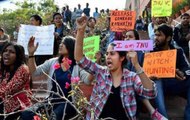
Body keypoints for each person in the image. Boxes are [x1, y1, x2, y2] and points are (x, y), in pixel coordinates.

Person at [75, 15, 156, 120]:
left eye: (112, 54)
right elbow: (79, 58)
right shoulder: (100, 72)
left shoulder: (131, 77)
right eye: (107, 54)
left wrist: (136, 65)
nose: (108, 56)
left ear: (122, 58)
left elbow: (150, 92)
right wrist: (80, 31)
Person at [21, 35, 92, 120]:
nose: (61, 45)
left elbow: (88, 80)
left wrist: (93, 68)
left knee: (54, 117)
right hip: (51, 100)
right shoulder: (53, 62)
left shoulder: (78, 65)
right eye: (61, 43)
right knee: (27, 113)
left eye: (64, 43)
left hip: (69, 102)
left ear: (71, 47)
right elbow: (35, 73)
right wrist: (31, 54)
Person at [124, 29, 167, 120]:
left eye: (130, 37)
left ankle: (159, 114)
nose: (127, 39)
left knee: (152, 82)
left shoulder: (143, 53)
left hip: (142, 82)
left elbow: (146, 71)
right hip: (129, 83)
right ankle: (152, 111)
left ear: (137, 40)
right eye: (126, 37)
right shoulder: (121, 55)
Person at [152, 24, 190, 120]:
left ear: (168, 38)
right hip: (158, 85)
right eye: (155, 35)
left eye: (159, 35)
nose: (156, 38)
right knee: (157, 81)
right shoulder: (150, 52)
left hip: (175, 82)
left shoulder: (178, 51)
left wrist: (182, 73)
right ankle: (163, 118)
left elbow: (187, 68)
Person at [0, 42, 32, 120]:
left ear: (18, 56)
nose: (7, 53)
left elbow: (7, 90)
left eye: (11, 52)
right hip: (3, 105)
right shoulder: (5, 69)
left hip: (19, 108)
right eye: (5, 51)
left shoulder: (23, 69)